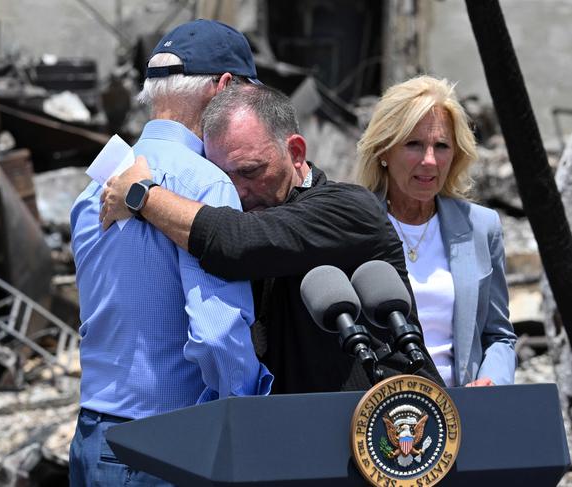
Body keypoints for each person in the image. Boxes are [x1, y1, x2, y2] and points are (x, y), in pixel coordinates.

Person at [100, 83, 446, 393]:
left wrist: (144, 195)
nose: (238, 191)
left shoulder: (349, 210)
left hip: (398, 432)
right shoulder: (258, 210)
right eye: (223, 176)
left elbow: (237, 242)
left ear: (295, 152)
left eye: (251, 171)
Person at [69, 19, 272, 486]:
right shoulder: (206, 183)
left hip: (92, 436)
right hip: (168, 447)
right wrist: (251, 407)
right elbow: (217, 335)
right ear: (224, 88)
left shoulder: (93, 188)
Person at [353, 75, 516, 387]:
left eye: (441, 146)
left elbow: (498, 334)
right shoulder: (353, 226)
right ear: (384, 151)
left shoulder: (481, 227)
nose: (429, 161)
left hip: (462, 416)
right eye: (413, 144)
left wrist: (492, 380)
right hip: (376, 416)